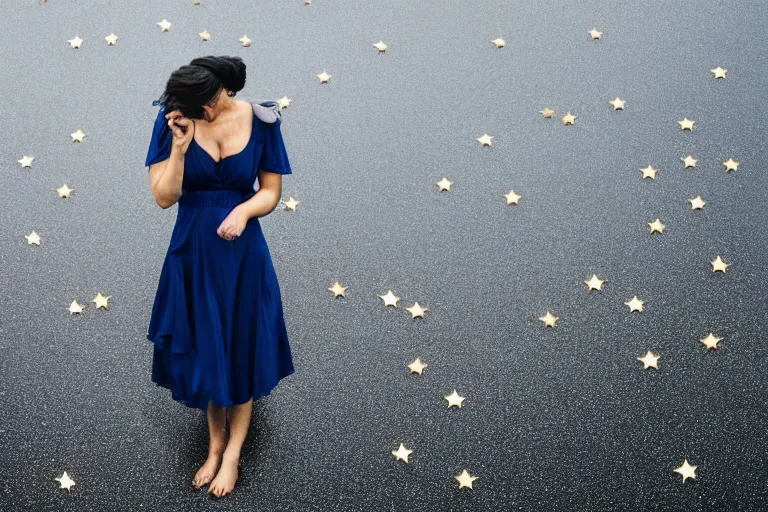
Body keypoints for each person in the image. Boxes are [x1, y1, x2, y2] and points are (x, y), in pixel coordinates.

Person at [143, 55, 295, 497]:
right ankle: (214, 446)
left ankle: (232, 455)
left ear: (223, 91)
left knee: (240, 345)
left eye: (206, 105)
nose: (202, 115)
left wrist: (244, 211)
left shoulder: (262, 121)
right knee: (209, 347)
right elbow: (163, 197)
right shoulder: (175, 119)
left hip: (242, 252)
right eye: (193, 108)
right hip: (193, 251)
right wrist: (179, 147)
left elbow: (270, 191)